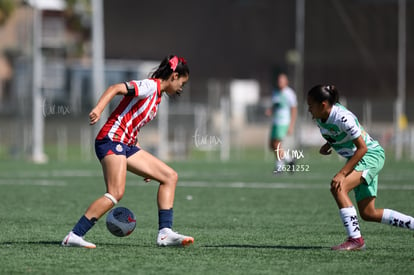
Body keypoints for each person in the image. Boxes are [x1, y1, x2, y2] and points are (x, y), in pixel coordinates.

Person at [62, 55, 194, 248]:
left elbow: (132, 127)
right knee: (115, 193)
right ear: (174, 76)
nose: (181, 88)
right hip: (111, 140)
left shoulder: (157, 97)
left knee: (169, 176)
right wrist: (98, 109)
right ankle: (74, 235)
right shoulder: (149, 86)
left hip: (127, 145)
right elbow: (115, 88)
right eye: (182, 82)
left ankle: (165, 233)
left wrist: (144, 163)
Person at [307, 84, 414, 251]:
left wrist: (342, 173)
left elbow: (362, 147)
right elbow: (338, 133)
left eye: (310, 105)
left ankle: (356, 240)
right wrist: (328, 144)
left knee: (338, 187)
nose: (308, 109)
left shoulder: (343, 117)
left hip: (370, 155)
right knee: (368, 213)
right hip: (359, 158)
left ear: (323, 105)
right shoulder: (322, 116)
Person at [266, 73, 297, 173]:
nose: (279, 82)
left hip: (283, 122)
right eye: (278, 81)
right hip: (275, 121)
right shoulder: (275, 92)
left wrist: (291, 125)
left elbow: (294, 110)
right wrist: (270, 110)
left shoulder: (289, 93)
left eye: (281, 81)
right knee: (272, 145)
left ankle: (279, 167)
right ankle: (289, 160)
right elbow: (275, 105)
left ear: (286, 82)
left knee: (277, 144)